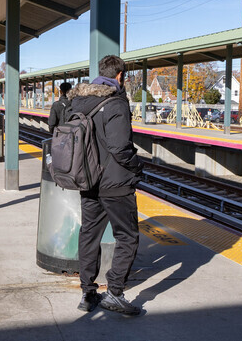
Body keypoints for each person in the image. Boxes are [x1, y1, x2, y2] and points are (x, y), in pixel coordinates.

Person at [68, 55, 143, 315]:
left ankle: (88, 294)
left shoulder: (78, 101)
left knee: (89, 234)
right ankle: (114, 293)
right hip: (116, 183)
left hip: (87, 180)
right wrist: (137, 166)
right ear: (120, 75)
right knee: (128, 236)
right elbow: (120, 147)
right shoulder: (116, 104)